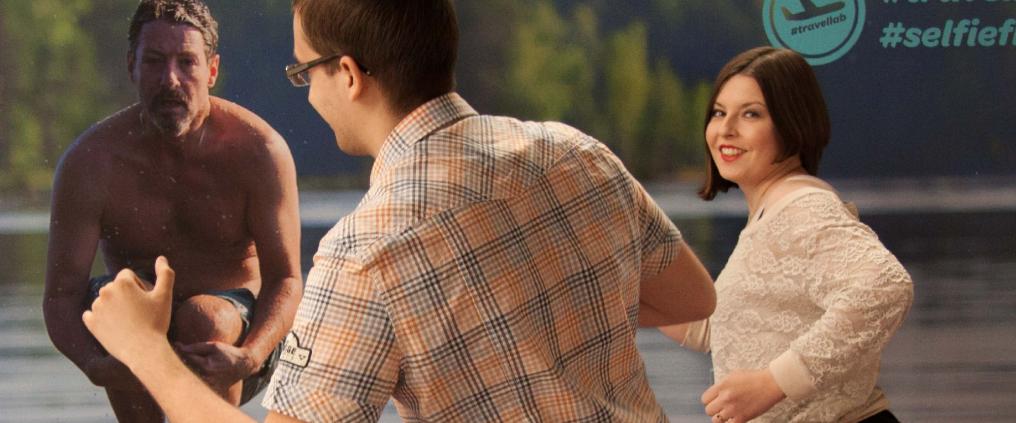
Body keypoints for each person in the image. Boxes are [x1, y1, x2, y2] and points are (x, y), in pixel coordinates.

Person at [80, 0, 718, 422]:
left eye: (306, 74)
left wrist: (146, 351)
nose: (308, 97)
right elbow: (694, 298)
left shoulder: (367, 252)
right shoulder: (577, 152)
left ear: (350, 75)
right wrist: (516, 314)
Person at [43, 1, 303, 421]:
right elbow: (61, 295)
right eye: (154, 62)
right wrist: (94, 365)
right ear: (132, 66)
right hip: (135, 341)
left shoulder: (259, 151)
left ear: (212, 70)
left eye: (186, 63)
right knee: (127, 302)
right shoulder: (91, 162)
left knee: (204, 317)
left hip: (236, 341)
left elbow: (287, 279)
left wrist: (250, 356)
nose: (171, 80)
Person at [655, 47, 914, 423]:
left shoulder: (800, 207)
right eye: (719, 112)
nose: (726, 129)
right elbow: (723, 327)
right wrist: (625, 290)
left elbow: (885, 288)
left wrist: (773, 383)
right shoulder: (772, 210)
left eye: (751, 114)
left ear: (792, 123)